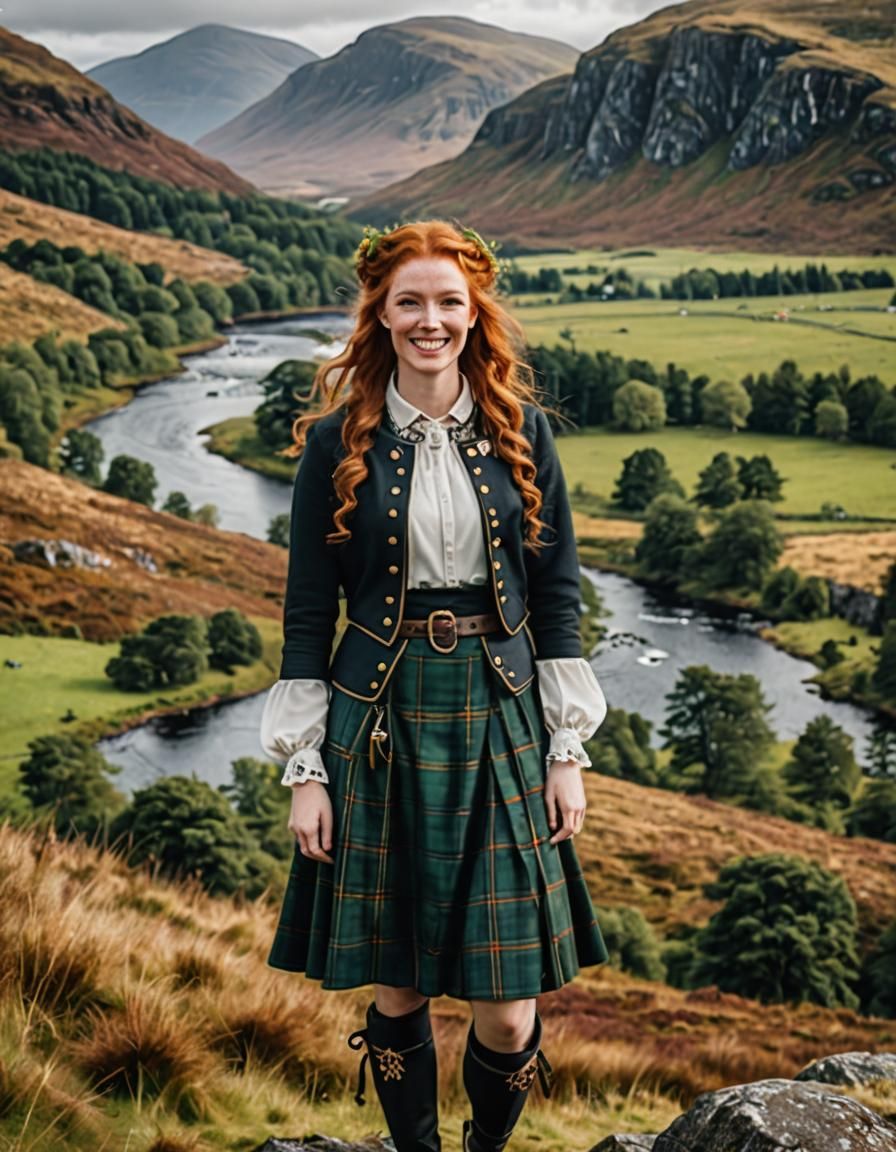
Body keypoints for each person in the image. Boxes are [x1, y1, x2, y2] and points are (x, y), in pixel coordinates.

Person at [259, 219, 610, 1152]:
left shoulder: (519, 430)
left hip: (502, 711)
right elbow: (306, 616)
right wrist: (305, 769)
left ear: (474, 314)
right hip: (380, 716)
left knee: (507, 1007)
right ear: (379, 313)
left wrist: (565, 753)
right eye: (409, 301)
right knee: (400, 977)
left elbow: (558, 593)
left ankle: (486, 1148)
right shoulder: (334, 441)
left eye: (448, 302)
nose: (430, 320)